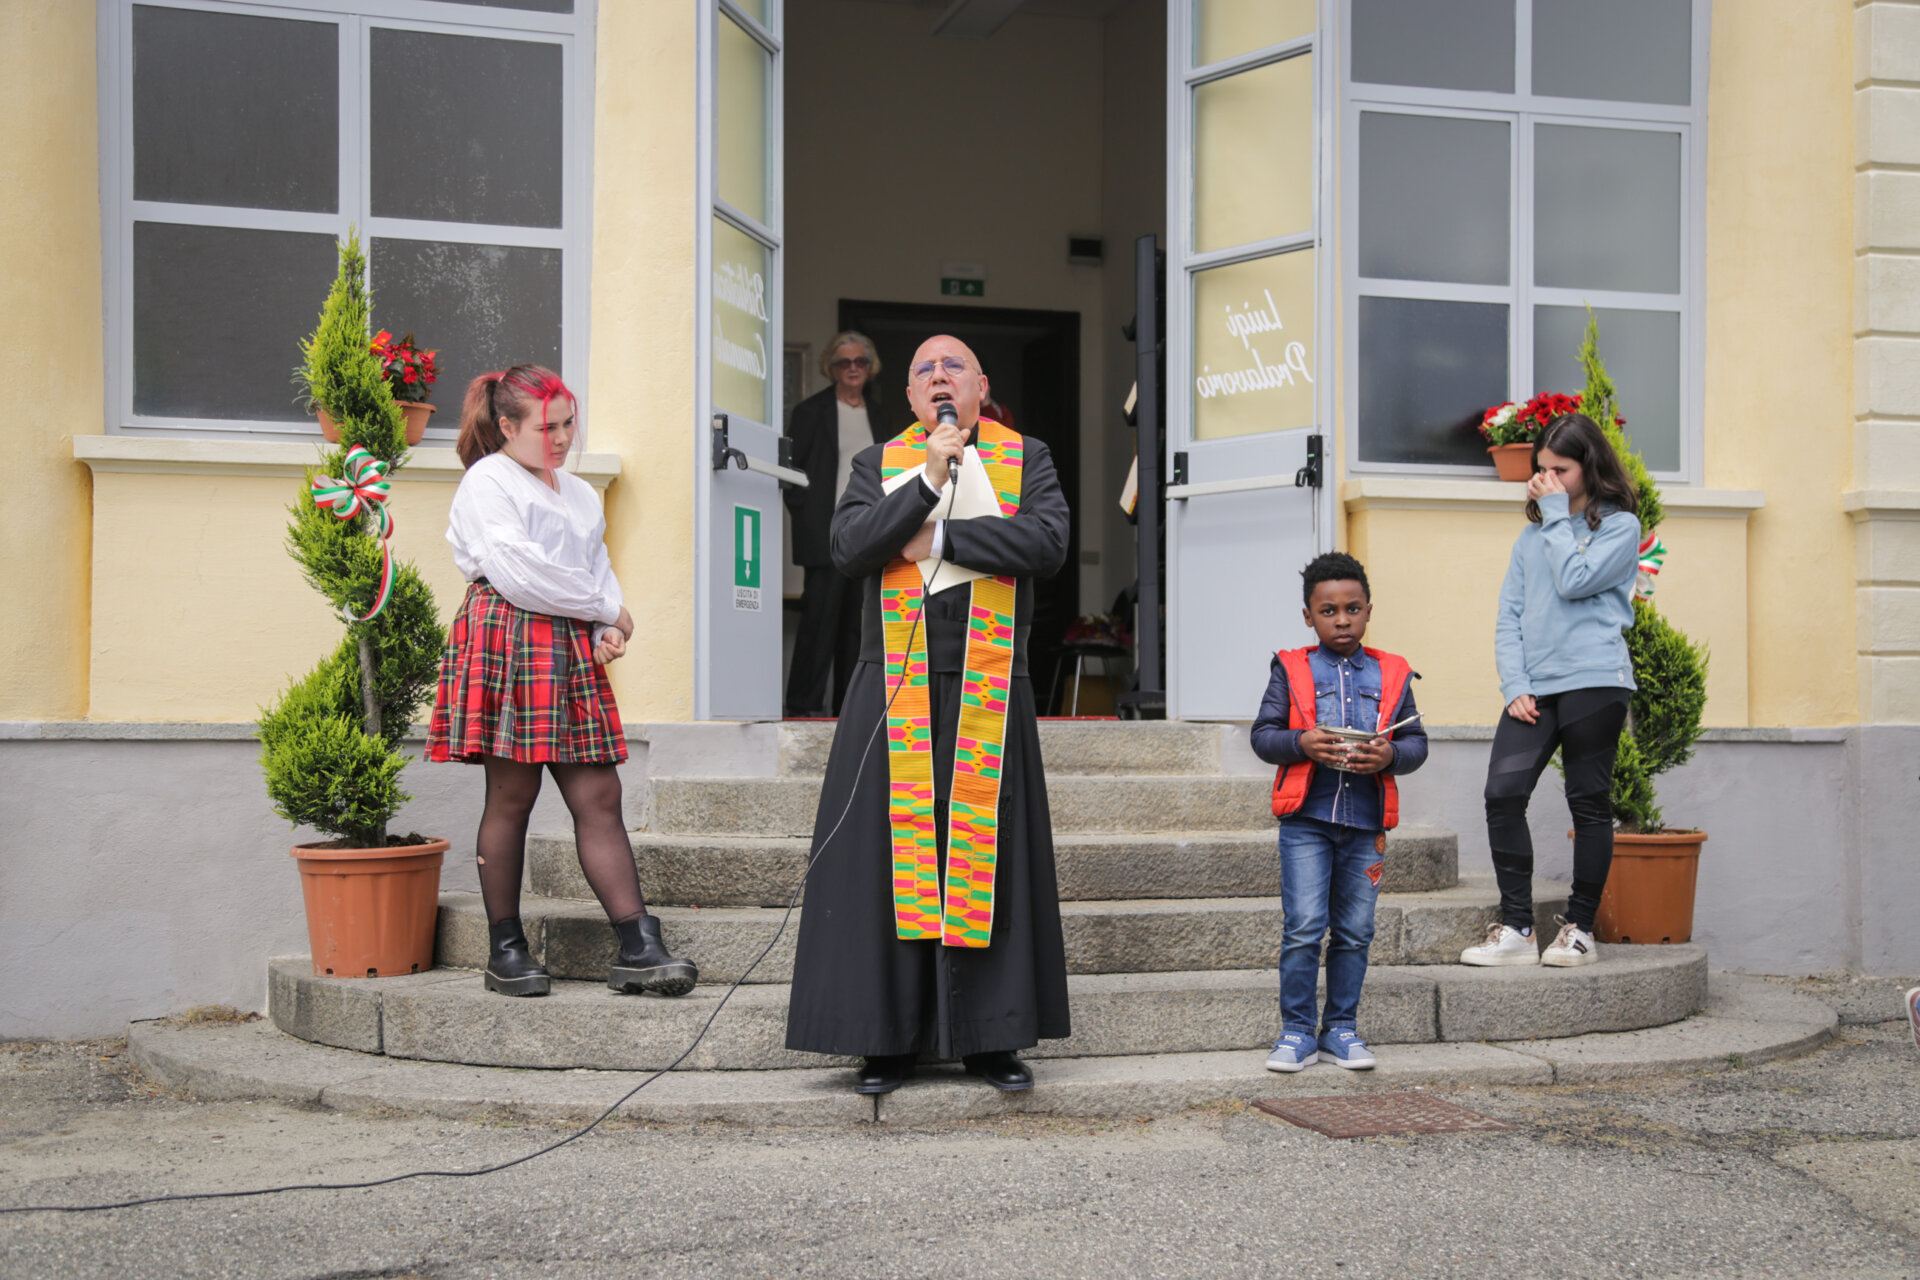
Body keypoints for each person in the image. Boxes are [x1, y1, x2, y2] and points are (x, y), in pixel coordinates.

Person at [784, 335, 1071, 1095]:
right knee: (888, 858)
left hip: (989, 683)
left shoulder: (1026, 455)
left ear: (981, 383)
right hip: (894, 686)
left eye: (953, 367)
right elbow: (849, 546)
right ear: (910, 400)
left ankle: (990, 1037)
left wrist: (936, 536)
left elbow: (1045, 542)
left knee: (990, 853)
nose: (939, 377)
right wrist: (925, 483)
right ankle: (886, 1040)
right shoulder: (878, 465)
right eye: (923, 371)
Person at [426, 365, 697, 1000]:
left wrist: (610, 623)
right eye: (547, 427)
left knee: (599, 795)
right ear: (507, 427)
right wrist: (604, 610)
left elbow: (596, 567)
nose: (561, 438)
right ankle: (507, 949)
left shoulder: (577, 492)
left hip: (569, 642)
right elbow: (520, 573)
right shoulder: (487, 480)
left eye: (569, 424)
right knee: (512, 796)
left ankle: (638, 943)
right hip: (506, 635)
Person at [1460, 412, 1641, 969]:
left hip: (1595, 681)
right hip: (1535, 689)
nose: (1545, 481)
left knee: (1588, 805)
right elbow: (1508, 616)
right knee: (1502, 795)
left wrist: (1558, 515)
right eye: (1540, 470)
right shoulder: (1529, 538)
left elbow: (1575, 579)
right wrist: (1514, 684)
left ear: (1589, 465)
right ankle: (1516, 928)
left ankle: (1580, 931)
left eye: (1558, 470)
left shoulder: (1619, 528)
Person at [1250, 552, 1428, 1072]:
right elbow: (1263, 737)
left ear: (1369, 610)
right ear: (1309, 616)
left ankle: (1342, 1029)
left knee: (1355, 930)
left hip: (1366, 824)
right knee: (1304, 925)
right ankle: (1297, 1031)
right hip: (1306, 821)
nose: (1342, 619)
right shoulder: (1291, 668)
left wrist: (1390, 754)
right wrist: (1302, 742)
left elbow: (1416, 742)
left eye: (1353, 608)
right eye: (1329, 611)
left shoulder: (1392, 672)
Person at [783, 332, 890, 717]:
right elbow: (792, 475)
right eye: (844, 363)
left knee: (858, 628)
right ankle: (803, 706)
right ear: (831, 368)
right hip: (826, 534)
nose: (852, 369)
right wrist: (810, 520)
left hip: (869, 533)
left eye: (860, 362)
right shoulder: (811, 412)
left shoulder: (879, 415)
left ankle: (851, 709)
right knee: (818, 624)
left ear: (870, 367)